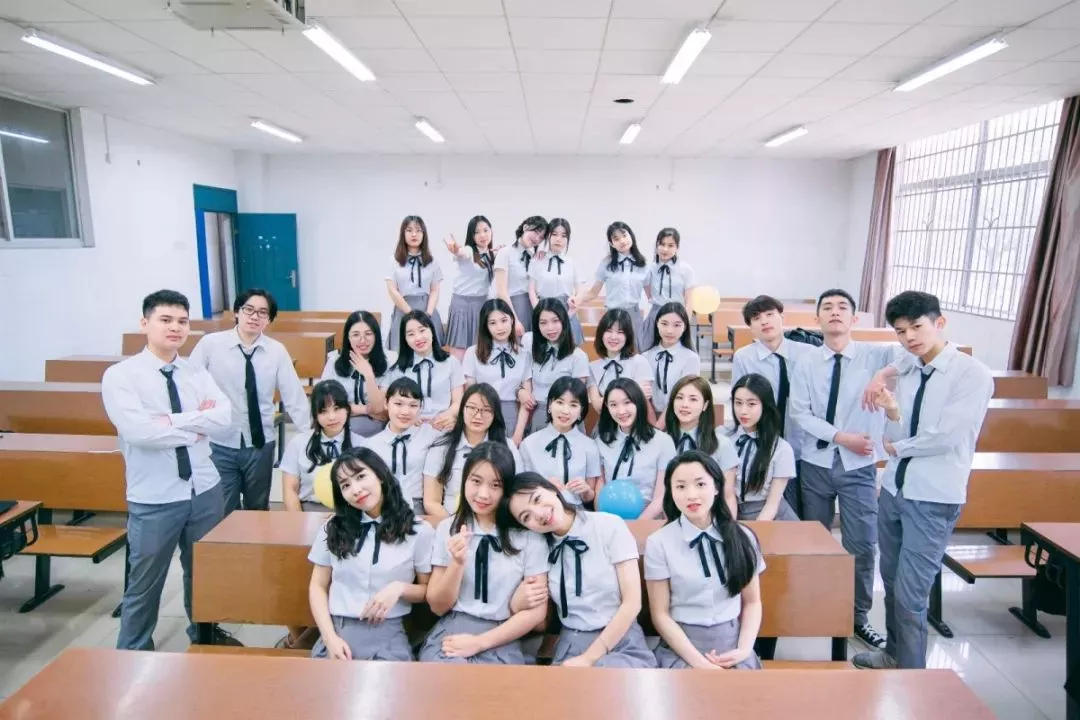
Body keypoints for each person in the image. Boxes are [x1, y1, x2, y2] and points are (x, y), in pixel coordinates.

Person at [853, 291, 993, 671]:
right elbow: (896, 428)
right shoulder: (910, 366)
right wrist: (891, 411)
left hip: (933, 498)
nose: (909, 337)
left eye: (917, 326)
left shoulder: (971, 374)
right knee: (891, 582)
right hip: (894, 490)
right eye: (901, 331)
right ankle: (893, 654)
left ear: (939, 323)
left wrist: (898, 447)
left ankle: (912, 680)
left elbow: (945, 437)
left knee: (911, 596)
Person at [101, 289, 238, 650]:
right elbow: (139, 432)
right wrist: (196, 426)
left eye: (182, 321)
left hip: (204, 489)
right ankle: (133, 648)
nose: (175, 327)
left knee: (204, 572)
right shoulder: (121, 376)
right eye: (165, 320)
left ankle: (204, 633)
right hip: (155, 496)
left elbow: (223, 418)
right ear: (144, 323)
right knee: (145, 579)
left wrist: (173, 420)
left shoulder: (196, 372)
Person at [789, 288, 899, 651]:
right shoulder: (806, 361)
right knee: (815, 541)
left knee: (862, 544)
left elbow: (912, 357)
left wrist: (881, 375)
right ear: (816, 318)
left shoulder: (875, 354)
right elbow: (800, 413)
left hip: (860, 466)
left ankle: (858, 617)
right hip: (816, 462)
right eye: (827, 307)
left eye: (842, 308)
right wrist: (841, 437)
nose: (834, 312)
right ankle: (815, 606)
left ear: (854, 318)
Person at [501, 472, 656, 668]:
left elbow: (632, 603)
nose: (539, 514)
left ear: (551, 489)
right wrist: (516, 604)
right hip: (571, 644)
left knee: (606, 678)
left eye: (537, 499)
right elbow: (541, 622)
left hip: (620, 639)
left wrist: (589, 658)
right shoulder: (539, 547)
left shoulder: (609, 525)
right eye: (526, 517)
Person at [420, 443, 549, 664]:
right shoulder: (448, 528)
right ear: (464, 480)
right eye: (476, 481)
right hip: (453, 631)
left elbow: (537, 615)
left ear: (507, 489)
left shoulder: (528, 536)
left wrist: (480, 643)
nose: (483, 494)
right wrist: (457, 564)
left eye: (495, 485)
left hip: (503, 637)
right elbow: (438, 607)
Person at [188, 288, 310, 514]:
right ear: (237, 312)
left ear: (269, 320)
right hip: (220, 441)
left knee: (258, 508)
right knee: (225, 509)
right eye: (249, 310)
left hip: (261, 443)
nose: (255, 316)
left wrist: (308, 436)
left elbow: (294, 396)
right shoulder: (210, 345)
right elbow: (188, 385)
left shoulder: (276, 351)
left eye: (262, 313)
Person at [308, 448, 434, 661]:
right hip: (338, 632)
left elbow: (428, 590)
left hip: (388, 634)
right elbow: (317, 586)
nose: (355, 490)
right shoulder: (333, 527)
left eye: (360, 476)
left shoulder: (418, 530)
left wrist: (399, 588)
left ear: (380, 475)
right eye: (345, 485)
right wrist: (330, 639)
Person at [645, 451, 765, 669]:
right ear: (671, 492)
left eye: (700, 484)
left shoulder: (743, 537)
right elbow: (660, 615)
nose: (691, 495)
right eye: (680, 487)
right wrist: (701, 664)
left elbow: (752, 602)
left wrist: (744, 650)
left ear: (716, 487)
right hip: (683, 650)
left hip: (733, 647)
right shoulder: (659, 543)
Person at [731, 295, 813, 516]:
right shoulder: (744, 357)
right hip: (765, 442)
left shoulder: (807, 353)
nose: (765, 321)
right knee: (769, 500)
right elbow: (738, 400)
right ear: (750, 327)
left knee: (801, 508)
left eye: (770, 314)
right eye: (756, 318)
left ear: (782, 317)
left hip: (802, 441)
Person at [423, 383, 522, 520]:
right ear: (462, 409)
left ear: (495, 414)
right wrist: (454, 525)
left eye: (486, 410)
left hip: (494, 522)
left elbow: (516, 493)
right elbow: (431, 502)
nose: (478, 415)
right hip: (450, 520)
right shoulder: (442, 447)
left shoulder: (508, 447)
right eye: (471, 408)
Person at [595, 378, 676, 520]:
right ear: (607, 407)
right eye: (613, 405)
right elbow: (600, 489)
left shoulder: (663, 442)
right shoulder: (601, 441)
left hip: (650, 520)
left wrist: (637, 525)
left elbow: (661, 497)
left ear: (638, 402)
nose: (621, 411)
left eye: (627, 402)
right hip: (611, 521)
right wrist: (604, 522)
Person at [281, 380, 364, 513]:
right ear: (315, 415)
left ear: (347, 410)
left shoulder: (362, 445)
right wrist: (298, 520)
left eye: (337, 409)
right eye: (323, 411)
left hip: (351, 513)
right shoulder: (298, 443)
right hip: (309, 511)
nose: (331, 417)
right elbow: (290, 490)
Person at [364, 377, 441, 515]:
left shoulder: (431, 435)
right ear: (386, 403)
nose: (405, 412)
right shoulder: (371, 445)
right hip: (383, 507)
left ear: (421, 407)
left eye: (413, 405)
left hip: (418, 507)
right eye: (398, 404)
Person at [663, 375, 739, 515]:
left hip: (710, 518)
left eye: (693, 399)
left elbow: (728, 496)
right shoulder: (662, 442)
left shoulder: (722, 444)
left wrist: (728, 526)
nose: (685, 404)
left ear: (705, 405)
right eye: (679, 398)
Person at [519, 377, 600, 507]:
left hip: (577, 511)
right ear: (550, 405)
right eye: (560, 402)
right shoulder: (529, 444)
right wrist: (542, 486)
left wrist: (586, 491)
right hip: (539, 509)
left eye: (573, 405)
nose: (565, 411)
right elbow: (521, 490)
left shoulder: (590, 446)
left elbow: (589, 498)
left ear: (581, 411)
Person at [730, 374, 798, 522]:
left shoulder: (781, 449)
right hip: (733, 512)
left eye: (751, 404)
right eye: (738, 403)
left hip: (771, 517)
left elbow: (773, 504)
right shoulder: (726, 440)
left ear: (765, 406)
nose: (743, 411)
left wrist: (755, 531)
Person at [463, 299, 532, 442]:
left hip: (512, 417)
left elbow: (527, 401)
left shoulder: (524, 354)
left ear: (512, 320)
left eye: (504, 320)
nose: (500, 327)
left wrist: (518, 435)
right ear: (485, 326)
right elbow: (469, 395)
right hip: (481, 414)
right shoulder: (472, 353)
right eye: (492, 323)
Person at [570, 221, 649, 344]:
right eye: (616, 239)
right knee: (614, 349)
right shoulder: (606, 263)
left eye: (624, 235)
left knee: (635, 349)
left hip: (634, 315)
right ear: (612, 244)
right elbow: (593, 293)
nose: (622, 241)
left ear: (631, 236)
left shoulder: (642, 264)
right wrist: (576, 298)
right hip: (613, 315)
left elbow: (651, 296)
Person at [519, 298, 589, 434]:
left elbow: (578, 398)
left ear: (564, 321)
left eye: (555, 321)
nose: (550, 328)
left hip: (567, 417)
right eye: (543, 323)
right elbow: (520, 378)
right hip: (539, 413)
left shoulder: (578, 356)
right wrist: (520, 391)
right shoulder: (529, 343)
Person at [385, 310, 463, 431]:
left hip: (443, 426)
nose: (418, 338)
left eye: (422, 330)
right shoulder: (397, 369)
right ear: (405, 339)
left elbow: (458, 401)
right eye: (411, 334)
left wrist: (448, 415)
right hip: (408, 427)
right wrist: (409, 417)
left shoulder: (451, 362)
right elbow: (390, 405)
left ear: (432, 331)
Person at [320, 310, 392, 437]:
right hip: (340, 421)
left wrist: (369, 375)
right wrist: (365, 409)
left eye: (368, 334)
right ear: (348, 337)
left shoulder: (389, 361)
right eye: (355, 335)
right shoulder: (334, 362)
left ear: (376, 336)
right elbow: (325, 402)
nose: (362, 340)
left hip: (377, 426)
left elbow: (379, 409)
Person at [385, 215, 444, 351]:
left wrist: (428, 314)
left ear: (424, 234)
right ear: (403, 233)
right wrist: (410, 313)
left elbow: (435, 290)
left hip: (427, 310)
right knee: (402, 351)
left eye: (418, 230)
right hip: (403, 310)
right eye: (409, 230)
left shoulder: (432, 261)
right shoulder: (393, 260)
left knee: (430, 352)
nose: (414, 234)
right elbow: (392, 290)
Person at [444, 216, 497, 360]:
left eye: (485, 230)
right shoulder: (469, 251)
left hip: (482, 305)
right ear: (471, 236)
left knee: (480, 351)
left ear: (491, 231)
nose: (482, 235)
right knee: (459, 352)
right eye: (477, 232)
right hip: (463, 305)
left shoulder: (492, 254)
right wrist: (456, 250)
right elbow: (462, 253)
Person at [587, 308, 652, 416]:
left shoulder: (639, 362)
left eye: (620, 332)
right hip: (606, 422)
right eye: (609, 331)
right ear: (601, 334)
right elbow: (597, 405)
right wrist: (632, 393)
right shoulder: (592, 367)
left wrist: (608, 400)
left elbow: (642, 401)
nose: (613, 337)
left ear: (627, 336)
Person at [528, 217, 583, 344]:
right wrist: (540, 313)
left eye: (564, 236)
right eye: (554, 234)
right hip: (543, 311)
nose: (559, 239)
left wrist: (572, 307)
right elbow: (531, 291)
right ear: (548, 236)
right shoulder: (537, 260)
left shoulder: (572, 262)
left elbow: (580, 291)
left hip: (567, 311)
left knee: (569, 351)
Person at [641, 228, 695, 351]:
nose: (665, 249)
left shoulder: (685, 269)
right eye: (662, 244)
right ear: (657, 246)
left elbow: (689, 301)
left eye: (670, 245)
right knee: (648, 352)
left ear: (677, 248)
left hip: (678, 317)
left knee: (680, 353)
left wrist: (685, 322)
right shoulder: (650, 269)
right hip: (656, 316)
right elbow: (649, 294)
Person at [644, 302, 700, 421]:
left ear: (685, 327)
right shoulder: (645, 356)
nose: (669, 331)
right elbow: (644, 396)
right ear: (657, 324)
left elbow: (684, 395)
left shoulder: (691, 358)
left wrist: (660, 425)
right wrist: (653, 423)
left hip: (679, 417)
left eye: (677, 325)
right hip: (648, 417)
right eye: (664, 324)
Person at [496, 216, 547, 335]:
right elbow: (501, 292)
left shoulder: (534, 256)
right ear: (525, 227)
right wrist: (514, 319)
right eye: (536, 232)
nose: (537, 239)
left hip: (533, 306)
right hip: (513, 307)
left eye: (541, 237)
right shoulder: (505, 253)